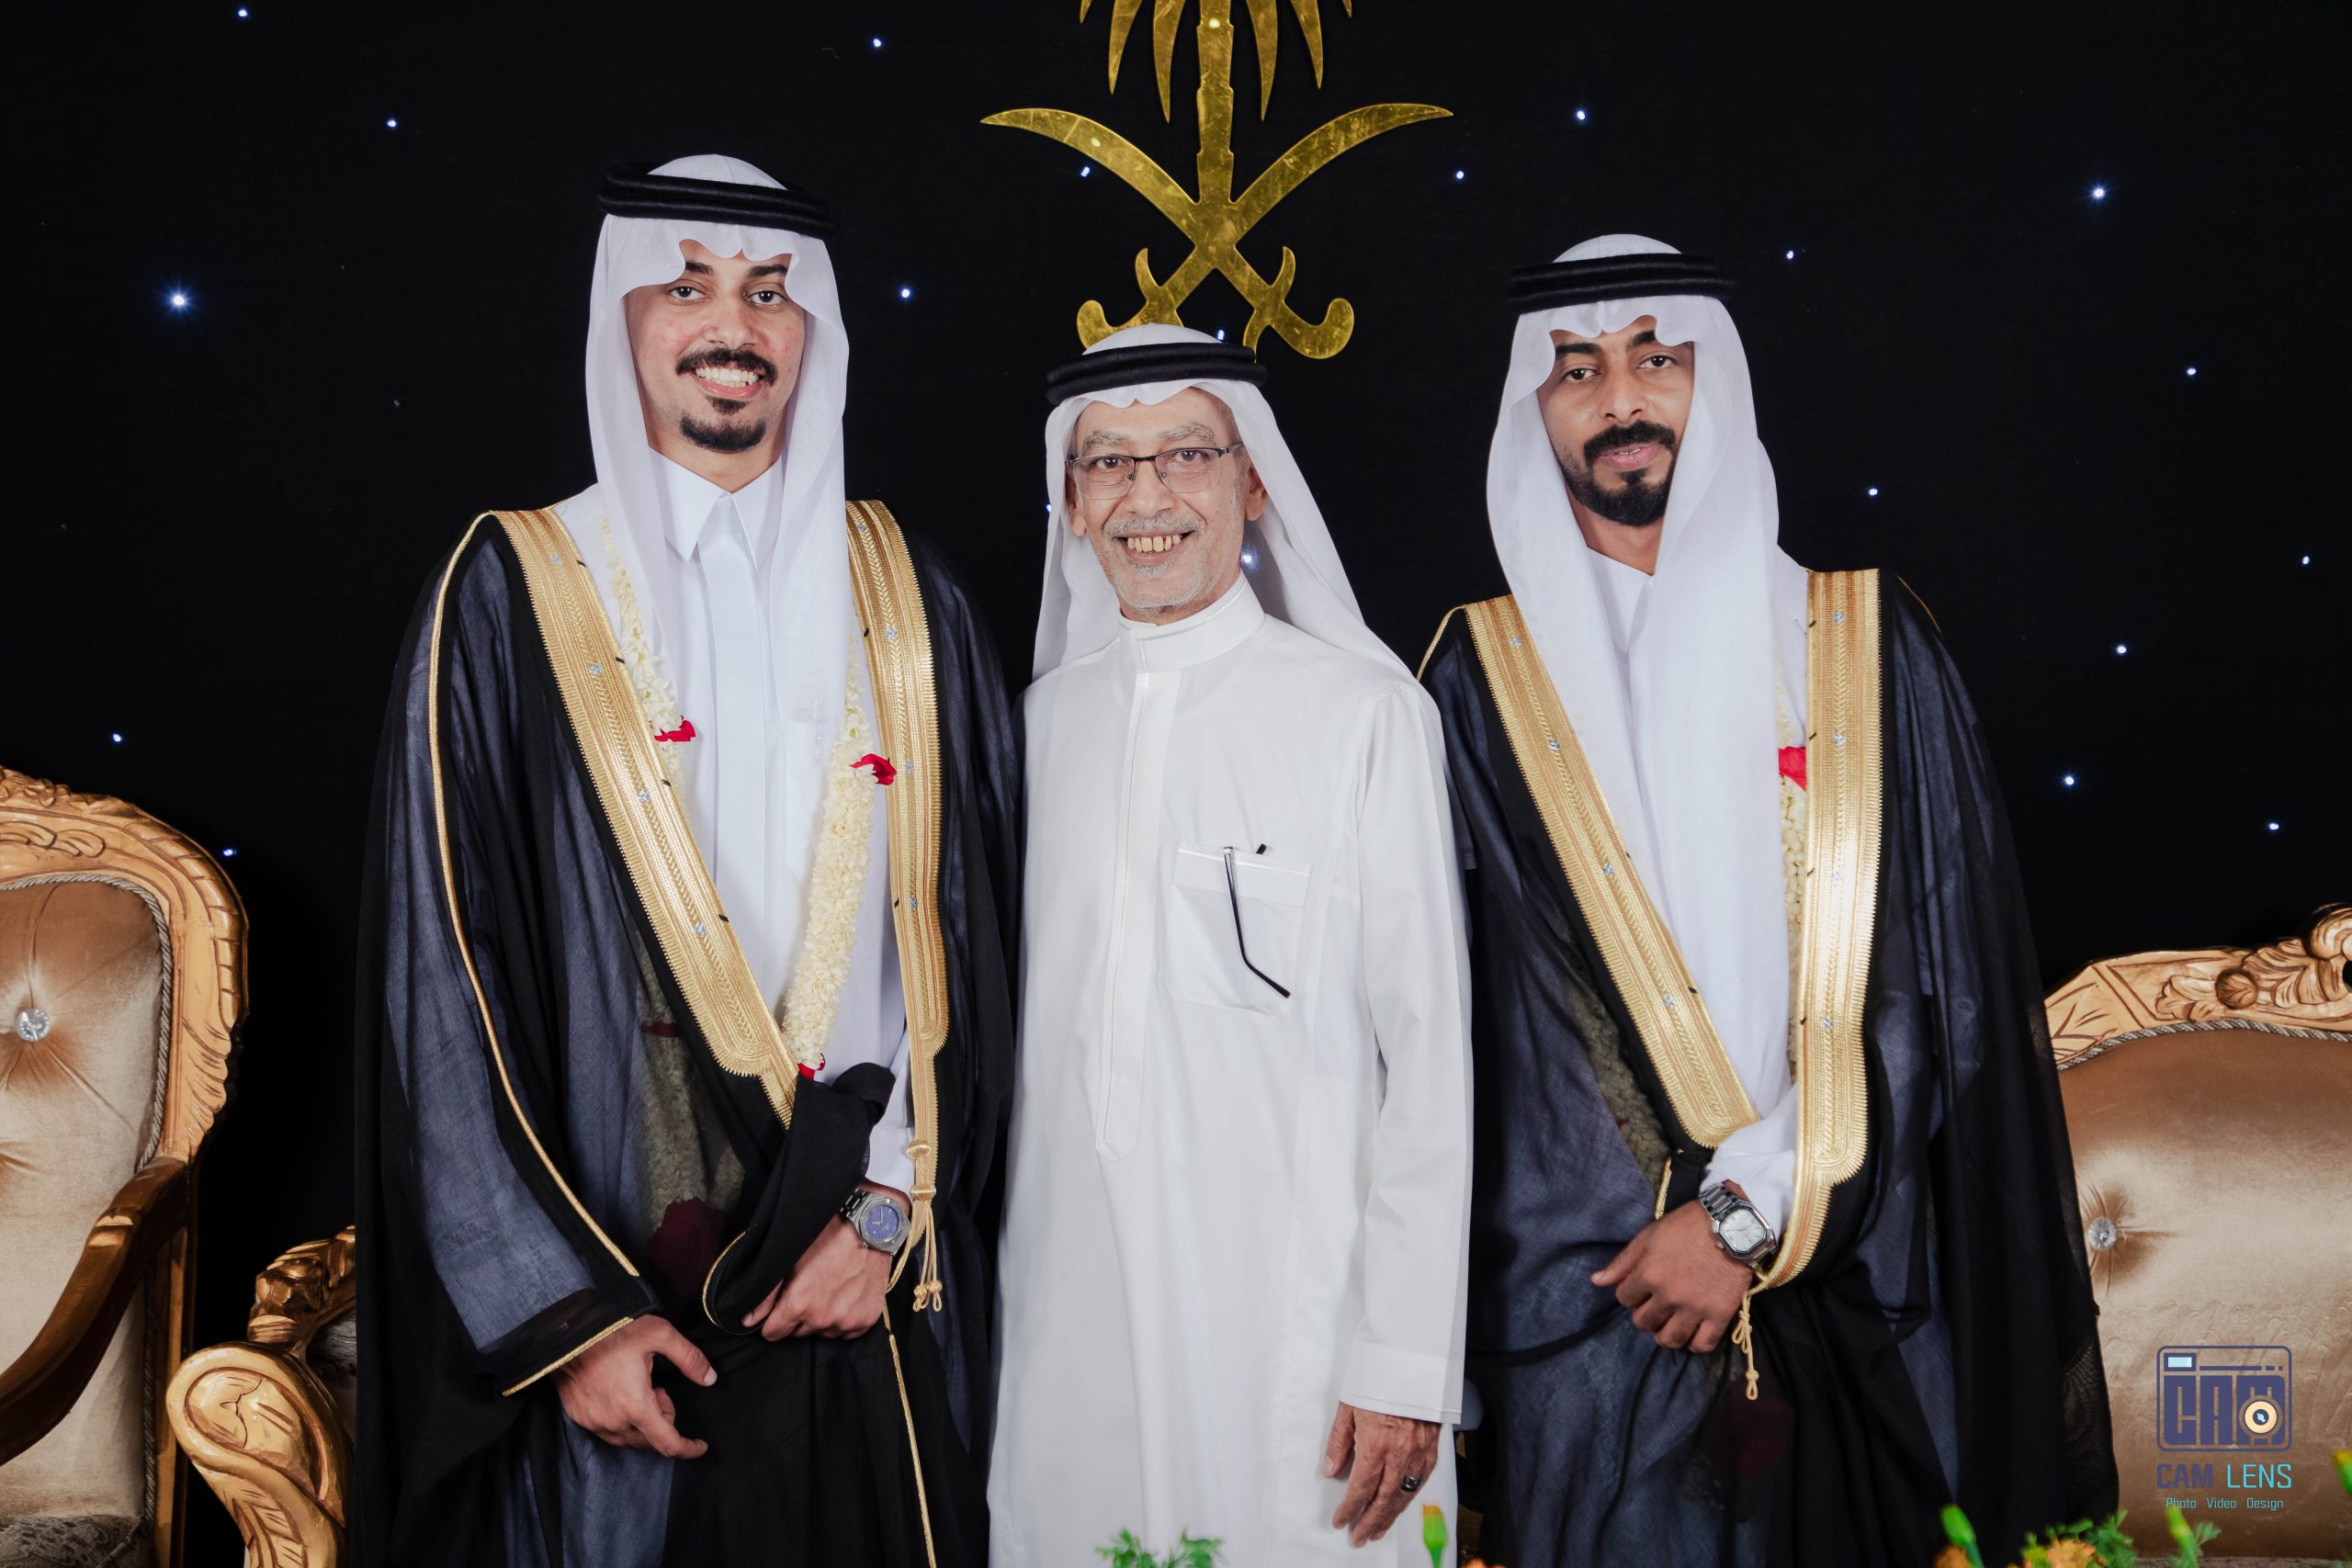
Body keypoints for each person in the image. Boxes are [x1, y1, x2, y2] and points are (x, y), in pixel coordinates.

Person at [355, 154, 1019, 1566]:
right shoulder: (515, 586)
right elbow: (444, 983)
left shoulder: (909, 595)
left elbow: (978, 948)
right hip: (624, 1315)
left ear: (811, 328)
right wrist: (566, 1320)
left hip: (859, 1280)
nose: (733, 325)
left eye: (769, 292)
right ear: (625, 316)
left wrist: (891, 1210)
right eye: (689, 287)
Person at [1419, 236, 2117, 1566]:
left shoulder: (1862, 645)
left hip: (1861, 1281)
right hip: (1592, 1313)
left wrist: (1751, 1213)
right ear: (1534, 410)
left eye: (1656, 358)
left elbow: (1940, 986)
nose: (1621, 398)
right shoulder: (1475, 683)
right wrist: (1652, 1241)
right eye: (1577, 370)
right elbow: (1468, 1025)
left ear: (1715, 383)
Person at [989, 326, 1473, 1564]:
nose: (1147, 496)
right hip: (1068, 1327)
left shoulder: (1367, 716)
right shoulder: (1030, 733)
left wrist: (1406, 1358)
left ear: (1253, 482)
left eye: (1187, 456)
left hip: (1303, 1343)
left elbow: (1429, 1062)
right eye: (1109, 462)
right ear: (1071, 501)